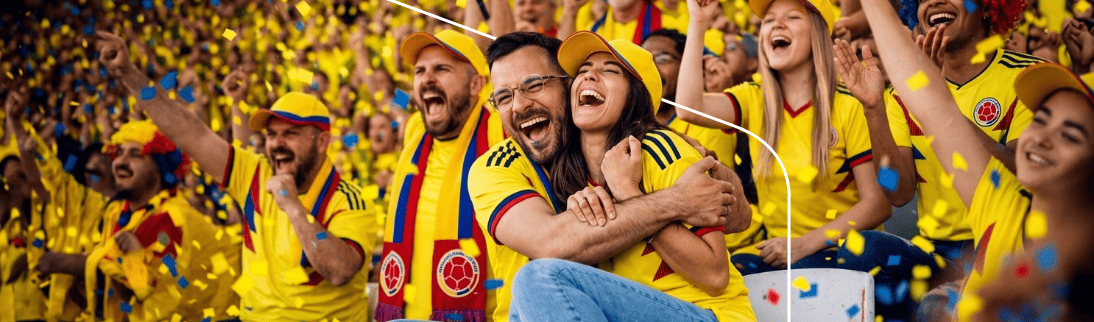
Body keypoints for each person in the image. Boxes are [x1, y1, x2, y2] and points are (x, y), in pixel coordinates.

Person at [95, 31, 378, 321]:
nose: (277, 143)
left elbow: (340, 270)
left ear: (321, 143)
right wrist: (128, 73)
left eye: (290, 134)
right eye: (271, 135)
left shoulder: (350, 201)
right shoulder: (253, 174)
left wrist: (293, 206)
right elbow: (188, 131)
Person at [470, 31, 750, 322]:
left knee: (537, 279)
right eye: (503, 96)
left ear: (565, 88)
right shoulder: (525, 169)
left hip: (701, 312)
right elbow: (550, 244)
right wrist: (672, 200)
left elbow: (726, 246)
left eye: (534, 84)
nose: (519, 105)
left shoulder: (654, 150)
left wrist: (705, 168)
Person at [856, 0, 1094, 319]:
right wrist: (876, 108)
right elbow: (897, 189)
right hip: (934, 250)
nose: (1041, 138)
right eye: (1041, 119)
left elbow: (936, 108)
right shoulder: (999, 202)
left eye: (1070, 135)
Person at [675, 0, 891, 274]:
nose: (777, 24)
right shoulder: (753, 97)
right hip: (779, 254)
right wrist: (698, 22)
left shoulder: (851, 104)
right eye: (768, 20)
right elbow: (687, 108)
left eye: (792, 17)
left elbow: (878, 204)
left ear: (818, 36)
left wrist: (803, 244)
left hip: (841, 253)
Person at [375, 30, 507, 322]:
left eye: (441, 69)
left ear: (476, 85)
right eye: (420, 71)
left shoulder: (499, 130)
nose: (427, 78)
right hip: (401, 315)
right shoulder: (414, 131)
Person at [68, 120, 239, 321]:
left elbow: (161, 303)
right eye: (119, 152)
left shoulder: (171, 219)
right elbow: (125, 290)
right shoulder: (117, 212)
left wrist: (68, 264)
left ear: (159, 166)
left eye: (135, 154)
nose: (120, 162)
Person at [640, 28, 762, 252]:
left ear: (689, 66)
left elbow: (710, 200)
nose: (651, 69)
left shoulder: (705, 121)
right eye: (645, 60)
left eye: (663, 59)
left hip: (731, 248)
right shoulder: (634, 125)